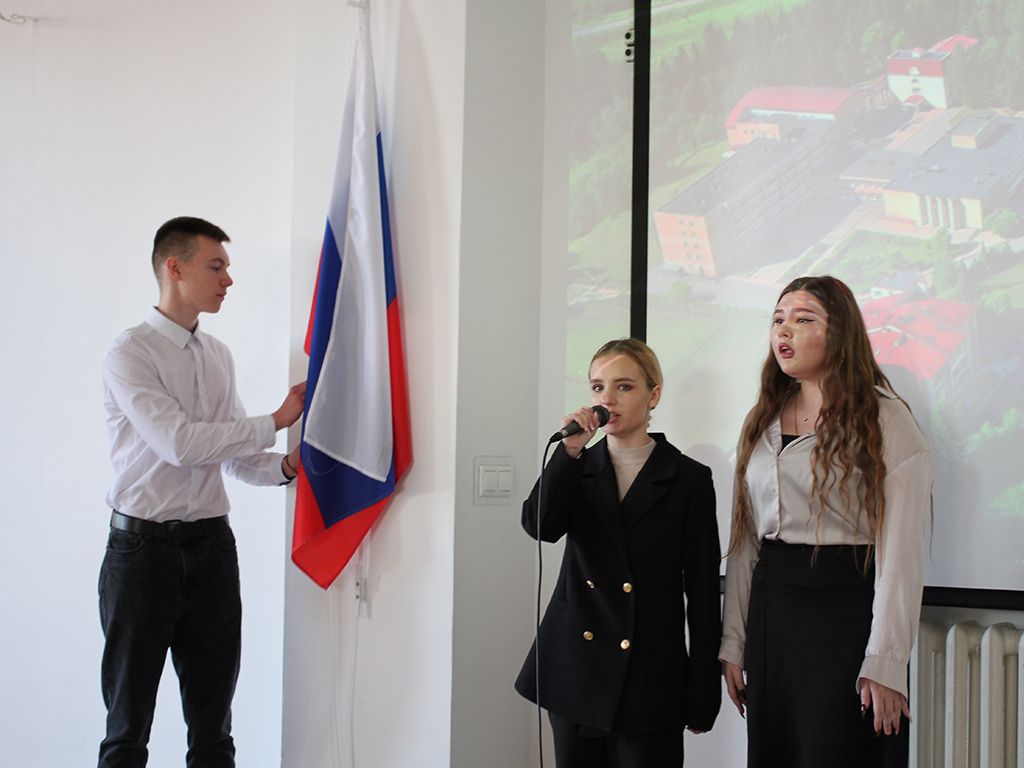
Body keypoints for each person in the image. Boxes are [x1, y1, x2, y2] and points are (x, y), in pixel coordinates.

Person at [98, 217, 306, 768]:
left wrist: (287, 466)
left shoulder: (217, 355)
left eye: (227, 268)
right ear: (174, 267)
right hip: (141, 555)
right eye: (216, 266)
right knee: (126, 732)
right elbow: (180, 444)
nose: (227, 280)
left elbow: (230, 455)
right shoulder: (130, 353)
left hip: (212, 549)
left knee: (214, 732)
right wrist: (276, 420)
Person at [720, 276, 933, 768]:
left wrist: (885, 662)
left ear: (840, 333)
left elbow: (901, 556)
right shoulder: (761, 418)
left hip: (845, 615)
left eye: (803, 319)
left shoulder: (885, 419)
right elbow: (745, 542)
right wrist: (734, 641)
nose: (784, 330)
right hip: (774, 618)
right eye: (778, 319)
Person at [515, 338, 722, 768]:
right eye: (597, 387)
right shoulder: (577, 466)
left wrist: (703, 690)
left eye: (623, 386)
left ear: (653, 395)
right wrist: (568, 453)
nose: (606, 399)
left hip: (649, 676)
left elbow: (703, 592)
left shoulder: (688, 478)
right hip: (576, 668)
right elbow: (540, 527)